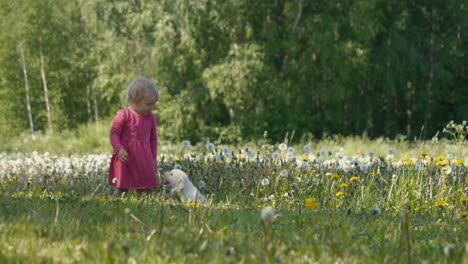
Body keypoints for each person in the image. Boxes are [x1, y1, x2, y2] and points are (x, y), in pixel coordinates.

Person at [108, 77, 160, 197]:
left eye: (153, 104)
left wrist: (153, 157)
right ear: (134, 100)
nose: (152, 107)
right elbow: (114, 133)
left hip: (143, 158)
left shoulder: (151, 118)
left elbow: (153, 139)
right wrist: (118, 149)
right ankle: (117, 204)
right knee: (122, 188)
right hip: (125, 157)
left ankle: (143, 208)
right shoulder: (123, 115)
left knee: (144, 189)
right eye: (148, 104)